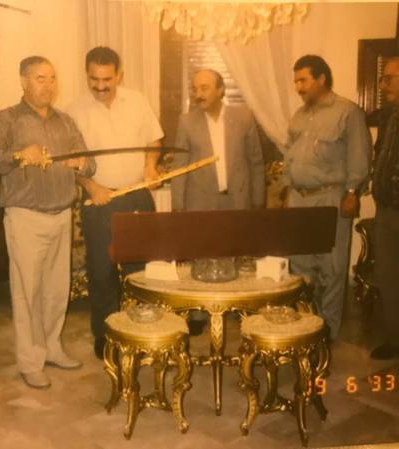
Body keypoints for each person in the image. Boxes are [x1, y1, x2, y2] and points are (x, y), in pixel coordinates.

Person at [0, 56, 94, 389]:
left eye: (52, 78)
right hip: (25, 217)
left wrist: (82, 163)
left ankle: (53, 347)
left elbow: (89, 165)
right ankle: (30, 361)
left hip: (61, 214)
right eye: (40, 78)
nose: (48, 85)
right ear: (23, 81)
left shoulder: (66, 122)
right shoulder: (7, 119)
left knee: (57, 290)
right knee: (28, 292)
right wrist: (17, 156)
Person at [67, 46, 163, 359]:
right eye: (93, 79)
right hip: (100, 199)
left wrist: (150, 166)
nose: (100, 86)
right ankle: (106, 334)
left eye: (106, 79)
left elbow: (153, 140)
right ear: (86, 75)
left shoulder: (137, 101)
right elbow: (70, 163)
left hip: (137, 194)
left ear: (118, 75)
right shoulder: (73, 111)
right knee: (101, 271)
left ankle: (143, 331)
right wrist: (90, 185)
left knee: (142, 269)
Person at [283, 54, 371, 340]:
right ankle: (305, 326)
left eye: (303, 80)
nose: (298, 87)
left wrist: (352, 192)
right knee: (300, 265)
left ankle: (327, 332)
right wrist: (286, 191)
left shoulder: (348, 112)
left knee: (331, 267)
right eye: (296, 81)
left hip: (330, 198)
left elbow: (359, 155)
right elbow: (289, 155)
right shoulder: (299, 115)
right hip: (298, 199)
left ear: (321, 79)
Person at [171, 69, 265, 212]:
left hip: (239, 203)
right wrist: (177, 207)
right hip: (200, 206)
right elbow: (179, 168)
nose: (198, 95)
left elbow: (256, 163)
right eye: (195, 89)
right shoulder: (186, 122)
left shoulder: (244, 118)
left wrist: (258, 202)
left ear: (220, 90)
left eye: (204, 88)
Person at [370, 58, 399, 359]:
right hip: (388, 210)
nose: (382, 85)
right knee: (389, 277)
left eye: (389, 78)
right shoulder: (390, 115)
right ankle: (395, 338)